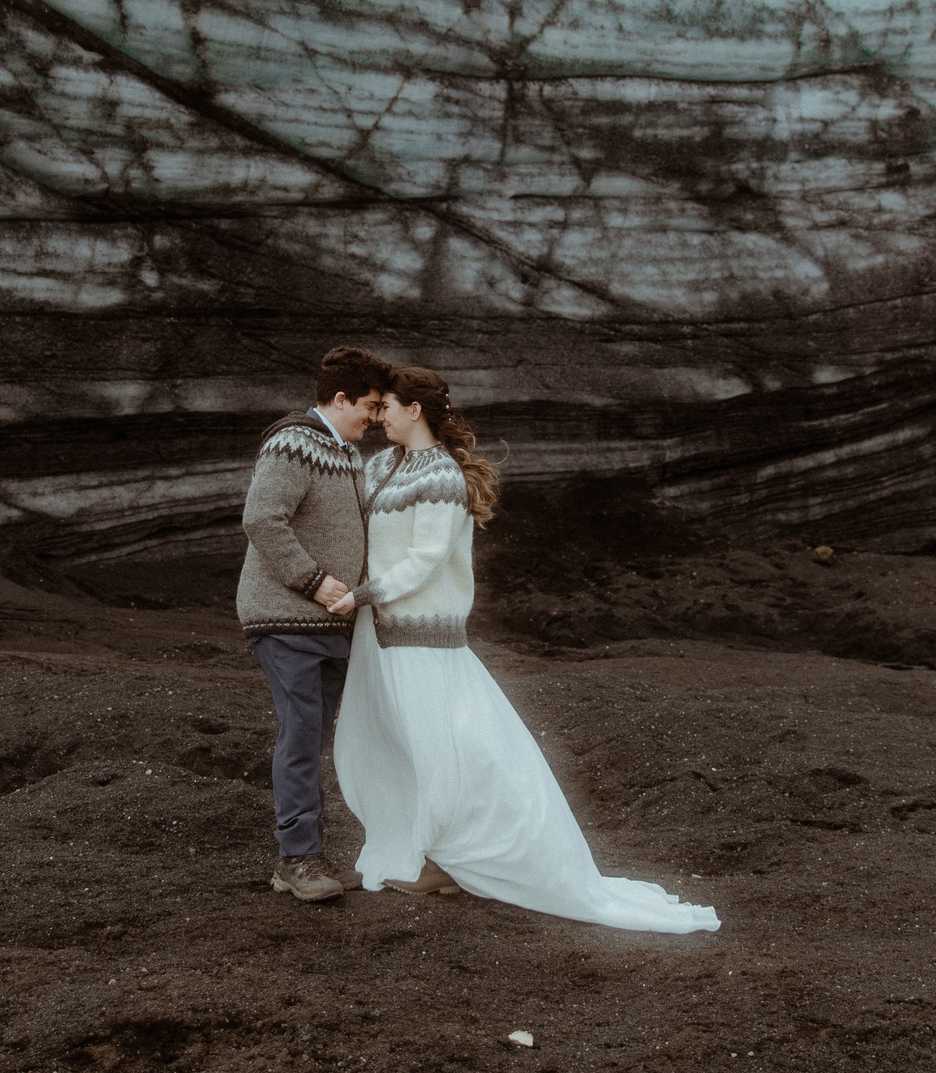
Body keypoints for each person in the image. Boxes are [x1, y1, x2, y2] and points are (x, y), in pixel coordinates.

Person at [328, 365, 720, 933]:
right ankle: (429, 849)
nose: (378, 414)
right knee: (395, 741)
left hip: (424, 635)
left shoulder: (441, 476)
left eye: (387, 405)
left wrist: (363, 593)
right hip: (379, 629)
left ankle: (454, 856)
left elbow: (427, 558)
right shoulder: (381, 464)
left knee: (445, 745)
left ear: (414, 410)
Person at [238, 344, 393, 902]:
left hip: (326, 623)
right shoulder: (293, 442)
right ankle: (296, 860)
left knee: (316, 734)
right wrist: (312, 581)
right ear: (341, 398)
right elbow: (261, 517)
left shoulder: (343, 449)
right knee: (302, 733)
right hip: (285, 616)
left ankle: (307, 854)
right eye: (371, 406)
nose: (376, 419)